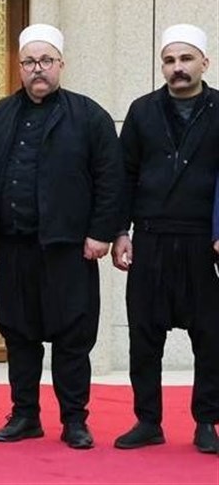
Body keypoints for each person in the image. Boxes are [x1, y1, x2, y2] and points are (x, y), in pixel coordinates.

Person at [0, 24, 123, 450]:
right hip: (12, 247)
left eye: (45, 61)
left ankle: (74, 419)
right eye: (29, 62)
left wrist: (100, 233)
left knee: (72, 337)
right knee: (18, 334)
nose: (37, 69)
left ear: (61, 64)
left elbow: (110, 180)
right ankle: (25, 415)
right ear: (19, 66)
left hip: (69, 249)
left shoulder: (90, 116)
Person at [112, 24, 219, 455]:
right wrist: (120, 232)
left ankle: (207, 421)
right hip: (150, 240)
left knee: (210, 337)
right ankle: (148, 421)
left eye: (186, 59)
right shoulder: (142, 111)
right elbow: (124, 176)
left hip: (203, 243)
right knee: (144, 336)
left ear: (204, 63)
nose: (178, 68)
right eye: (169, 60)